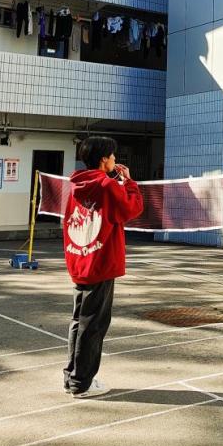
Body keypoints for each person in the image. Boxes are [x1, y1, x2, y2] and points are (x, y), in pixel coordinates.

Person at [62, 136, 143, 398]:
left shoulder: (77, 184)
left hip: (81, 258)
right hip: (101, 261)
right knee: (94, 325)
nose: (115, 160)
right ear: (104, 159)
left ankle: (73, 376)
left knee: (79, 321)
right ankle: (82, 383)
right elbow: (132, 208)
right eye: (113, 156)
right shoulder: (108, 186)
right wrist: (129, 182)